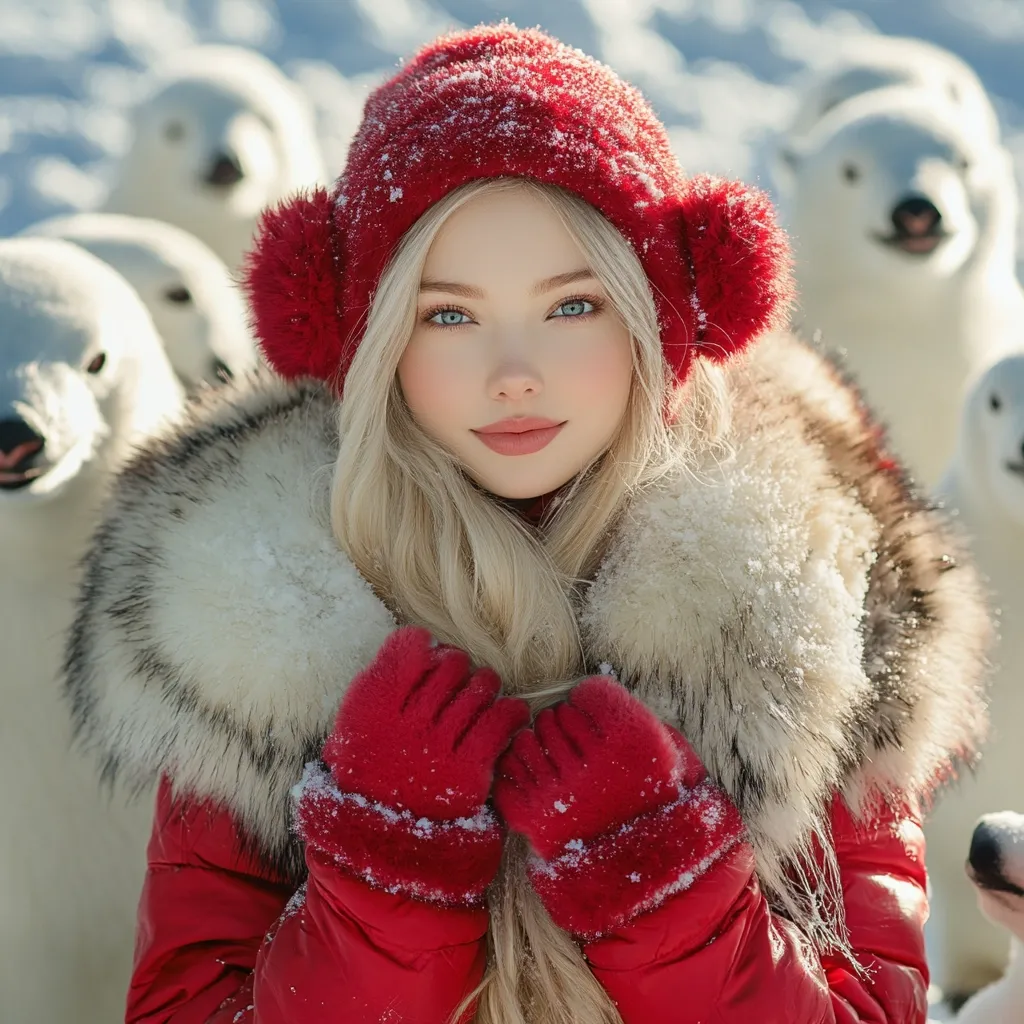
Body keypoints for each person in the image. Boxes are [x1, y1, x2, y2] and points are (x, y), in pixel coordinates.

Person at [62, 23, 991, 1024]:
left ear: (663, 312)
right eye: (448, 314)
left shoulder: (810, 608)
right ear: (368, 335)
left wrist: (669, 889)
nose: (513, 371)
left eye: (573, 306)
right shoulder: (248, 621)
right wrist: (381, 877)